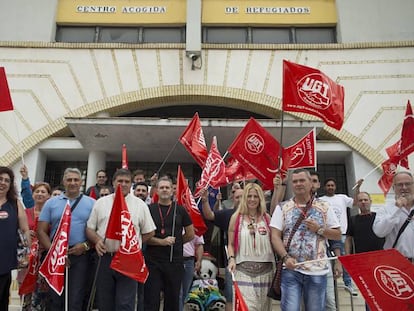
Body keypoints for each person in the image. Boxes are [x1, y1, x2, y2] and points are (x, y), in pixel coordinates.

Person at [270, 169, 341, 311]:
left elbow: (337, 234)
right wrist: (285, 257)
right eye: (295, 181)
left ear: (310, 184)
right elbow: (275, 235)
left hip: (317, 270)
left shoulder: (324, 206)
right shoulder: (283, 207)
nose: (298, 184)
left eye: (302, 180)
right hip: (291, 269)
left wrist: (320, 229)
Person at [86, 168, 156, 311]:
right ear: (113, 183)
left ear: (131, 184)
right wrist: (97, 240)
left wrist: (135, 243)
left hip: (128, 260)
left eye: (127, 182)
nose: (123, 184)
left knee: (125, 304)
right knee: (105, 303)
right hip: (105, 258)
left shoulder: (140, 205)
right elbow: (89, 229)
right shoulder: (100, 203)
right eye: (120, 181)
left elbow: (150, 232)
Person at [37, 167, 95, 311]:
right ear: (64, 181)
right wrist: (55, 253)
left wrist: (86, 246)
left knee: (75, 298)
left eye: (76, 180)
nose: (73, 183)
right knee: (55, 298)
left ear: (81, 182)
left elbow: (98, 232)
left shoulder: (92, 203)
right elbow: (41, 231)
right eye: (69, 179)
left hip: (80, 256)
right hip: (56, 256)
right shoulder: (51, 203)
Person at [144, 176, 194, 311]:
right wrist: (162, 242)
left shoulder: (180, 210)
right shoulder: (149, 209)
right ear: (156, 191)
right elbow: (143, 236)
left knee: (172, 300)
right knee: (151, 299)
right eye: (161, 187)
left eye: (167, 187)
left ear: (172, 191)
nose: (165, 190)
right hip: (153, 262)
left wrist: (176, 243)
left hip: (174, 261)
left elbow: (190, 234)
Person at [227, 183, 274, 311]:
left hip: (266, 272)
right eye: (249, 196)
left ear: (260, 199)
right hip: (243, 271)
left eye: (255, 196)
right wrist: (231, 259)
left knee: (262, 308)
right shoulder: (236, 218)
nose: (252, 199)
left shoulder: (267, 218)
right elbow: (230, 244)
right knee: (248, 308)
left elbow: (275, 241)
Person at [201, 187, 243, 311]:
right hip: (233, 262)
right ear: (232, 199)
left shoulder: (257, 215)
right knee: (230, 295)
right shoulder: (228, 214)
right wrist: (205, 201)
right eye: (237, 197)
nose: (240, 200)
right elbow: (209, 215)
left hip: (253, 264)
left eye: (242, 196)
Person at [346, 184, 385, 311]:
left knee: (383, 291)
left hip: (381, 259)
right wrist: (347, 257)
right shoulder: (353, 220)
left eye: (365, 200)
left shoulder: (379, 217)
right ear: (357, 203)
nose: (363, 202)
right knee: (369, 293)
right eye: (360, 200)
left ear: (370, 201)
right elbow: (348, 239)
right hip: (363, 261)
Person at [18, 165, 52, 311]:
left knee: (41, 298)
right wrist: (26, 235)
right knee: (26, 296)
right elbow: (17, 231)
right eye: (37, 191)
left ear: (49, 196)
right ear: (32, 195)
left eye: (43, 192)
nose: (40, 194)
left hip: (44, 259)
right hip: (27, 259)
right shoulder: (25, 212)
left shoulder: (53, 213)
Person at [309, 171, 342, 311]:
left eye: (314, 180)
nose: (311, 183)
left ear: (318, 184)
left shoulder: (324, 205)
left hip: (324, 259)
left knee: (329, 302)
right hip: (302, 263)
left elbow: (336, 235)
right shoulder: (292, 205)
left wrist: (338, 261)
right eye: (308, 180)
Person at [0, 166, 31, 310]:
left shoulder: (15, 204)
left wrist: (27, 254)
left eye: (7, 180)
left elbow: (25, 230)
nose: (3, 183)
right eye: (0, 179)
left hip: (4, 261)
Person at [319, 177, 357, 295]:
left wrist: (358, 188)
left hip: (341, 234)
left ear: (335, 187)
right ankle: (328, 286)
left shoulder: (342, 198)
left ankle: (348, 283)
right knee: (327, 260)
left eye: (332, 185)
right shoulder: (320, 200)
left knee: (343, 259)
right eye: (328, 185)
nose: (330, 187)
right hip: (325, 234)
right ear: (325, 187)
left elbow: (355, 202)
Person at [373, 171, 414, 262]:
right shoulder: (386, 209)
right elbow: (379, 232)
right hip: (399, 263)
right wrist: (396, 209)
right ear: (393, 188)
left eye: (408, 184)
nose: (404, 188)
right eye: (400, 185)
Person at [179, 235, 204, 311]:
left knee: (186, 291)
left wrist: (199, 260)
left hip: (189, 260)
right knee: (178, 292)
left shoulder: (196, 224)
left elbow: (199, 244)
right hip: (175, 260)